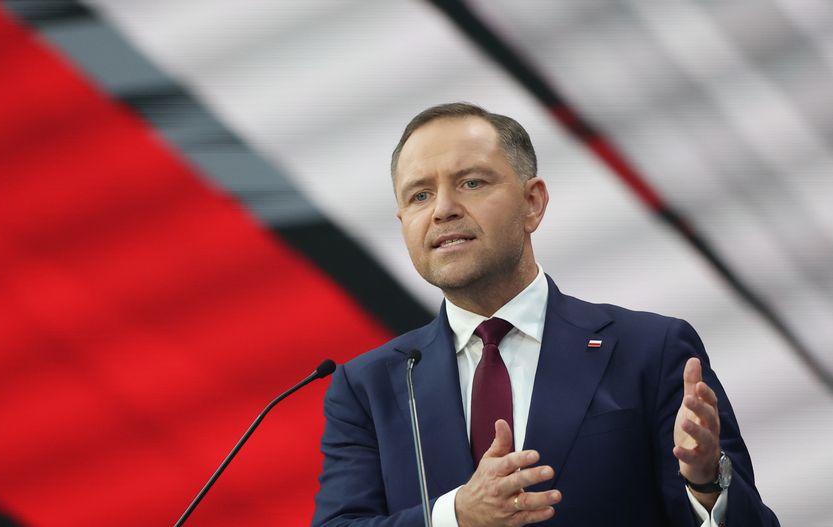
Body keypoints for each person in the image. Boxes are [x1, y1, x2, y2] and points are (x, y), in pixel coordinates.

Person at [311, 103, 779, 526]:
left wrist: (706, 484)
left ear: (532, 203)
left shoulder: (649, 352)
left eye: (471, 183)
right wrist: (455, 516)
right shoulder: (367, 388)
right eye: (419, 196)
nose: (443, 210)